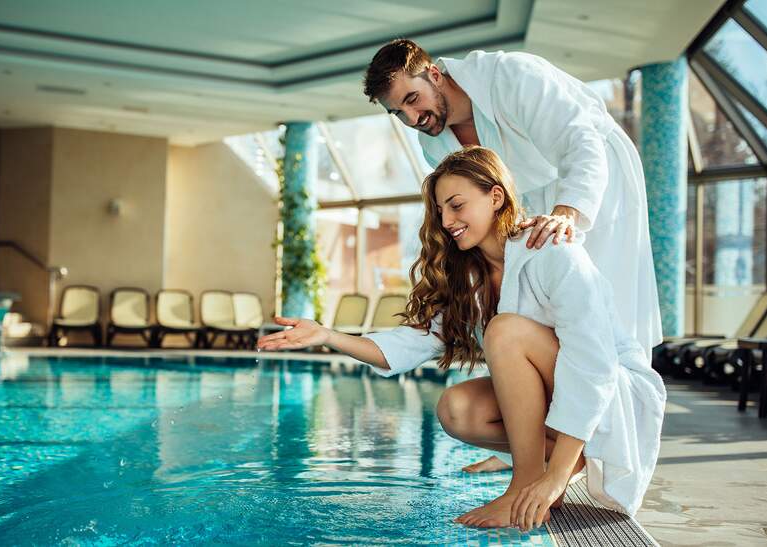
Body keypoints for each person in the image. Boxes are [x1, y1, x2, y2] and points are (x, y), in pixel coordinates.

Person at [257, 147, 666, 531]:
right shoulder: (467, 277)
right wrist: (328, 335)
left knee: (503, 330)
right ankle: (551, 465)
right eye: (441, 210)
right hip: (562, 391)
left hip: (612, 393)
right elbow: (405, 346)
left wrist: (555, 479)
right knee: (457, 410)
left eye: (457, 205)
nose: (448, 220)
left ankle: (528, 482)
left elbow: (591, 363)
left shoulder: (553, 251)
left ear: (496, 197)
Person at [363, 39, 662, 359]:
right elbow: (476, 205)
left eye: (413, 99)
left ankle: (625, 386)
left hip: (594, 171)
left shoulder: (510, 76)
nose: (412, 118)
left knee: (606, 296)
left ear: (434, 74)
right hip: (529, 197)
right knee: (544, 302)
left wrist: (566, 213)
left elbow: (579, 140)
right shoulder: (433, 146)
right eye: (399, 113)